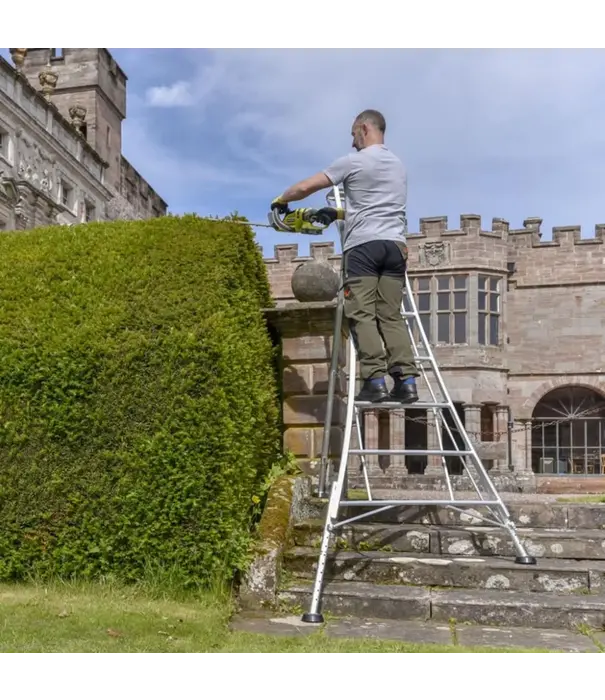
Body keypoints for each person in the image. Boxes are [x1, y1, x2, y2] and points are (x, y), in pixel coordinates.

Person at [271, 109, 419, 404]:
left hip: (364, 248)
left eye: (353, 134)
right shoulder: (398, 166)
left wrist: (281, 201)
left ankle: (375, 380)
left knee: (361, 312)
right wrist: (335, 213)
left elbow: (305, 187)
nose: (353, 142)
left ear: (364, 128)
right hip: (395, 246)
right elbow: (374, 207)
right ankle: (407, 382)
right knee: (390, 315)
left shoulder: (354, 162)